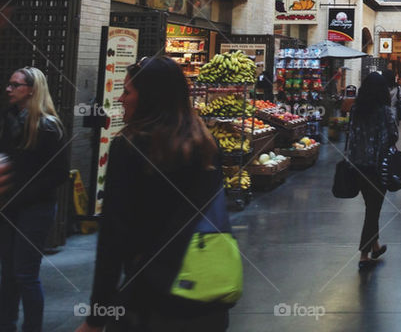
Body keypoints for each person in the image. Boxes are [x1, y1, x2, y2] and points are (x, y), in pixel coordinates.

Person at [75, 56, 230, 332]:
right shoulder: (207, 145)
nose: (121, 99)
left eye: (127, 91)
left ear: (149, 97)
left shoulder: (130, 147)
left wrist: (97, 315)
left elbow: (113, 236)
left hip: (151, 295)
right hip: (205, 293)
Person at [0, 67, 68, 332]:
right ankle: (6, 325)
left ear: (31, 89)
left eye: (15, 85)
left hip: (35, 210)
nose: (9, 89)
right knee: (8, 273)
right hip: (10, 207)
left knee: (25, 274)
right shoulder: (11, 119)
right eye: (9, 84)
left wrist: (21, 193)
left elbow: (59, 174)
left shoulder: (48, 127)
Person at [344, 73, 397, 270]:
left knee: (370, 205)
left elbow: (350, 134)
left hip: (358, 164)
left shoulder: (356, 109)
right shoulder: (384, 111)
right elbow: (392, 135)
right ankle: (364, 254)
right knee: (373, 210)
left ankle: (375, 246)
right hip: (377, 165)